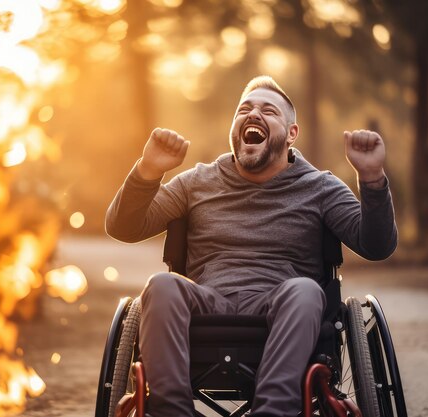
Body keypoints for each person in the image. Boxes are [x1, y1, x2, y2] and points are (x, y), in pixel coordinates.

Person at [105, 75, 397, 417]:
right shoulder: (197, 182)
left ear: (291, 134)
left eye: (268, 111)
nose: (253, 114)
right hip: (207, 305)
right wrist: (148, 171)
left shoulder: (319, 187)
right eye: (244, 109)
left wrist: (373, 180)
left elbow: (377, 246)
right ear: (234, 128)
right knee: (161, 285)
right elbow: (123, 227)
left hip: (284, 307)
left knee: (305, 290)